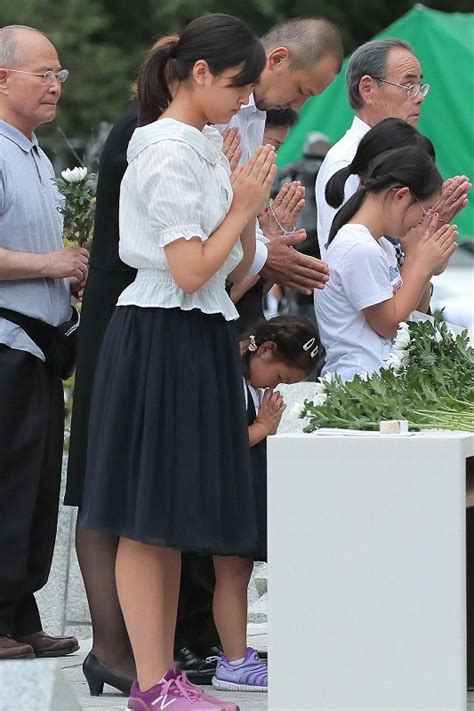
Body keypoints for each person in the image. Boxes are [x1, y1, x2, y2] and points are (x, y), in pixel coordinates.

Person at [79, 14, 276, 711]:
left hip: (192, 332)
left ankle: (161, 679)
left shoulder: (197, 144)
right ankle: (153, 680)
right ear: (196, 75)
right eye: (238, 85)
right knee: (145, 513)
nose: (246, 100)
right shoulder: (160, 145)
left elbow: (234, 268)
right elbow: (190, 268)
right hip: (160, 330)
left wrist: (247, 210)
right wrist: (242, 201)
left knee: (165, 513)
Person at [0, 25, 88, 659]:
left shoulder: (33, 151)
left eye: (59, 73)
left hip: (39, 346)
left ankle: (20, 612)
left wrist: (70, 275)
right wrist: (52, 265)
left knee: (33, 487)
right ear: (3, 79)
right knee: (8, 481)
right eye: (43, 73)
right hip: (6, 342)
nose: (56, 84)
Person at [211, 316, 319, 692]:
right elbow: (219, 443)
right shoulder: (226, 375)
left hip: (240, 488)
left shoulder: (244, 376)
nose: (277, 386)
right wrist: (262, 427)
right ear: (266, 349)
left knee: (237, 571)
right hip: (226, 493)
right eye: (280, 377)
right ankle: (234, 662)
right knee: (232, 571)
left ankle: (237, 653)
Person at [220, 16, 344, 304]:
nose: (297, 106)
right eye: (301, 90)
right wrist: (265, 253)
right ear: (277, 59)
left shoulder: (255, 115)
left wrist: (266, 241)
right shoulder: (218, 112)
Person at [315, 38, 471, 258]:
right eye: (408, 86)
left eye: (420, 87)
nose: (419, 98)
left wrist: (430, 224)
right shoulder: (348, 162)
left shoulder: (395, 155)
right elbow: (347, 262)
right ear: (367, 89)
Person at [314, 145, 457, 382]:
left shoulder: (383, 245)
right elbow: (388, 324)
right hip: (357, 384)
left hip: (380, 381)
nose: (424, 221)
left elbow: (413, 315)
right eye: (426, 211)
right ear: (400, 196)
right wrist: (418, 263)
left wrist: (425, 268)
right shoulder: (359, 248)